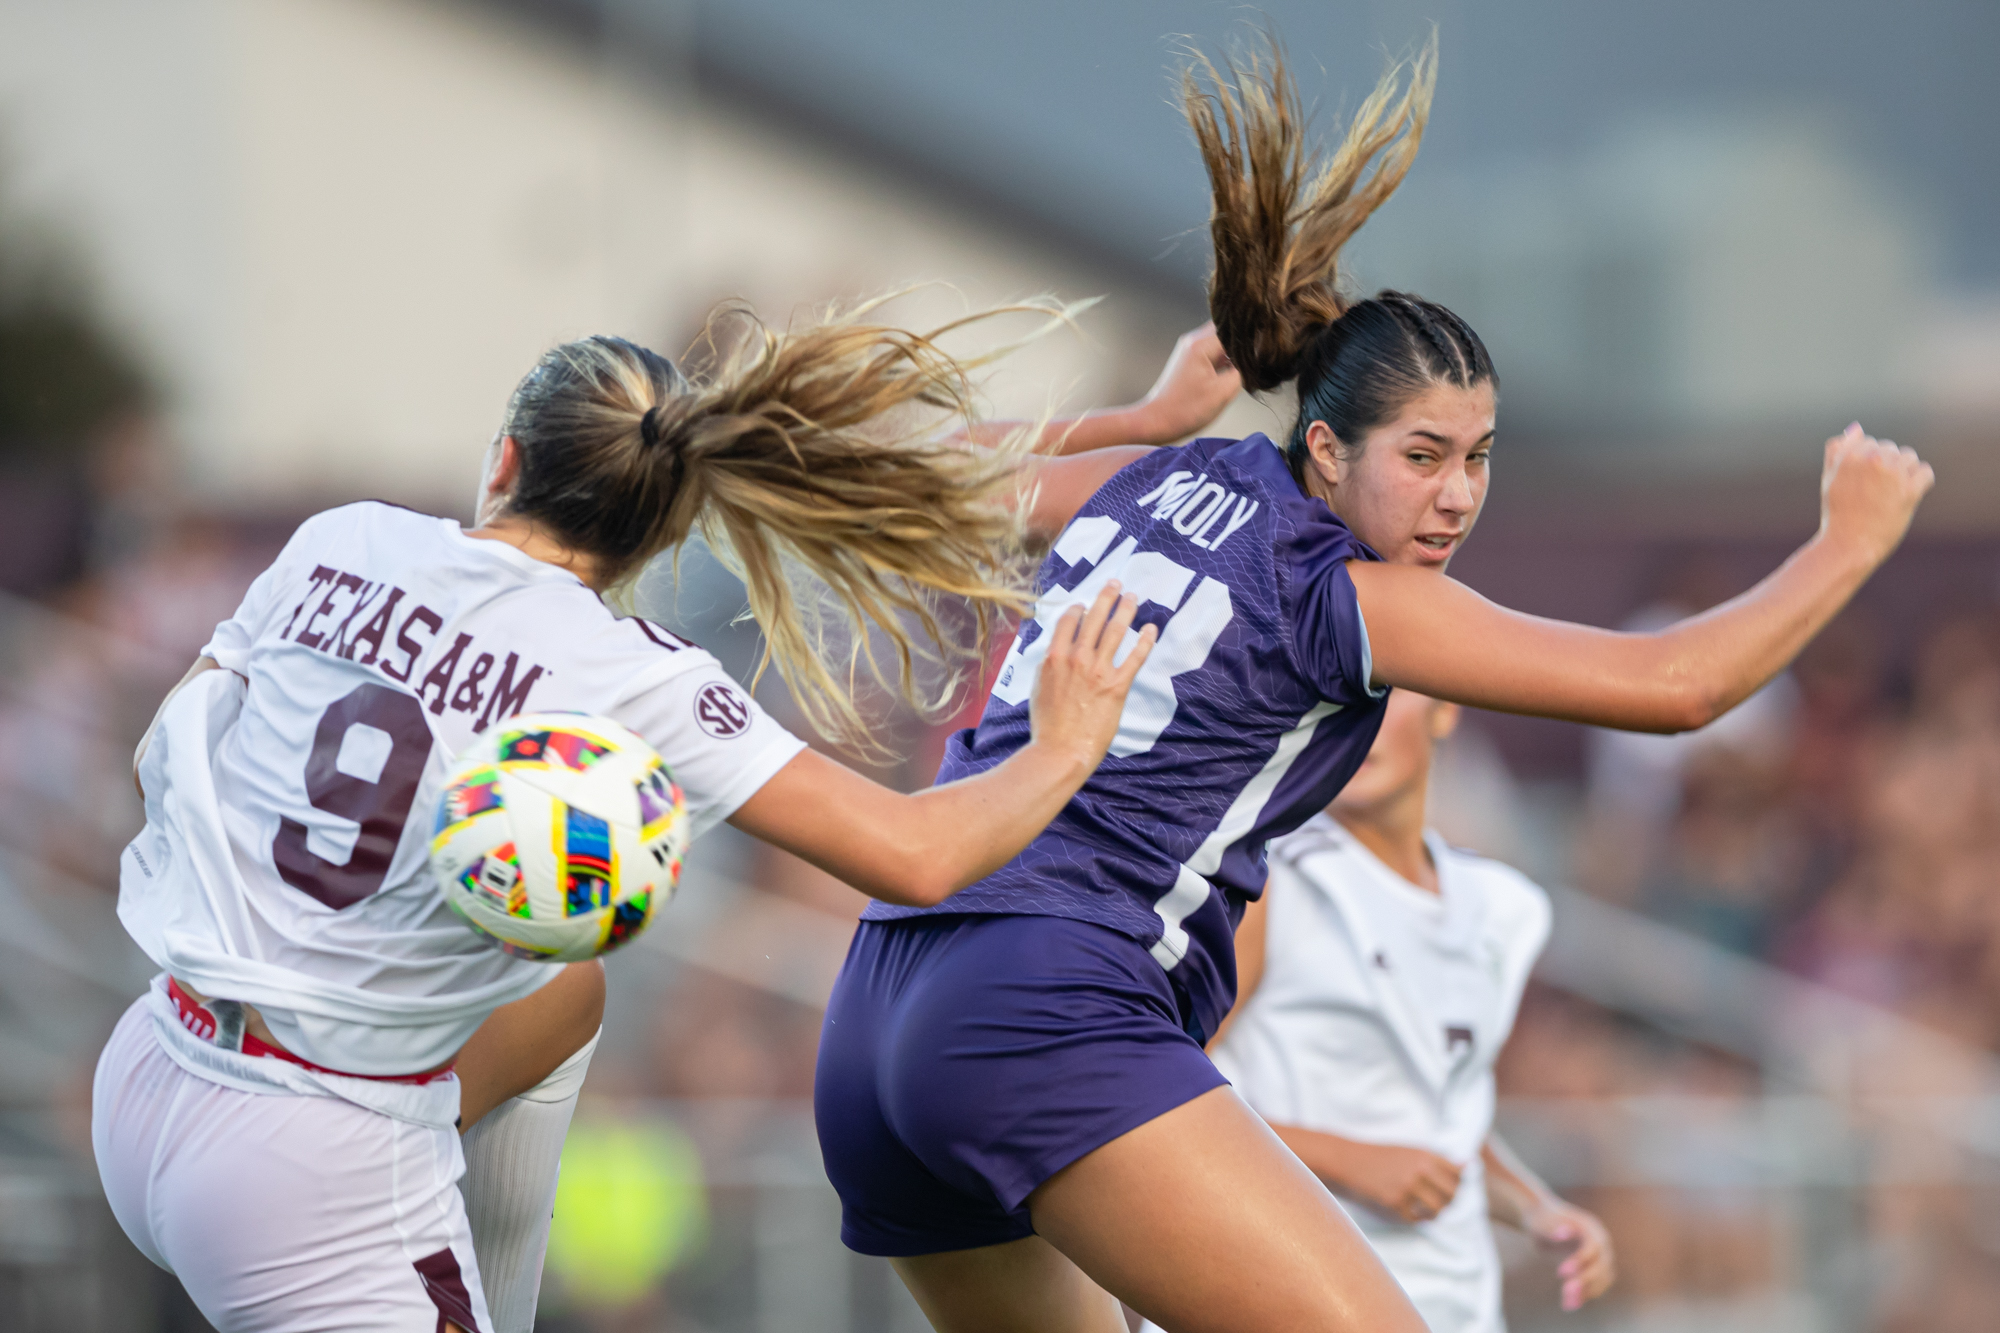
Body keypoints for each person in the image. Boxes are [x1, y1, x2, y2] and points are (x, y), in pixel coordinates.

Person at [811, 33, 1933, 1333]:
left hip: (879, 1013)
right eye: (1424, 454)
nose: (1457, 493)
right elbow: (1676, 684)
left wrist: (1143, 420)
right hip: (1042, 996)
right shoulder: (1345, 591)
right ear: (1328, 449)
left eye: (1480, 456)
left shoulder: (1164, 481)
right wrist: (1846, 542)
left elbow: (922, 473)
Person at [89, 298, 1242, 1333]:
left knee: (559, 992)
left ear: (503, 460)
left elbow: (175, 740)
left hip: (147, 1064)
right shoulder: (630, 673)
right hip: (310, 1162)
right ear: (664, 531)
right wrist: (1065, 743)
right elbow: (919, 856)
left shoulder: (342, 536)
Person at [1160, 688, 1613, 1333]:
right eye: (1341, 691)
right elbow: (1159, 1098)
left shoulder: (1501, 908)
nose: (1362, 714)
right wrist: (1349, 1159)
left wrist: (1535, 1206)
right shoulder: (1266, 881)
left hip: (1456, 1303)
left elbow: (1444, 1112)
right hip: (1276, 1293)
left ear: (1448, 708)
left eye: (1388, 688)